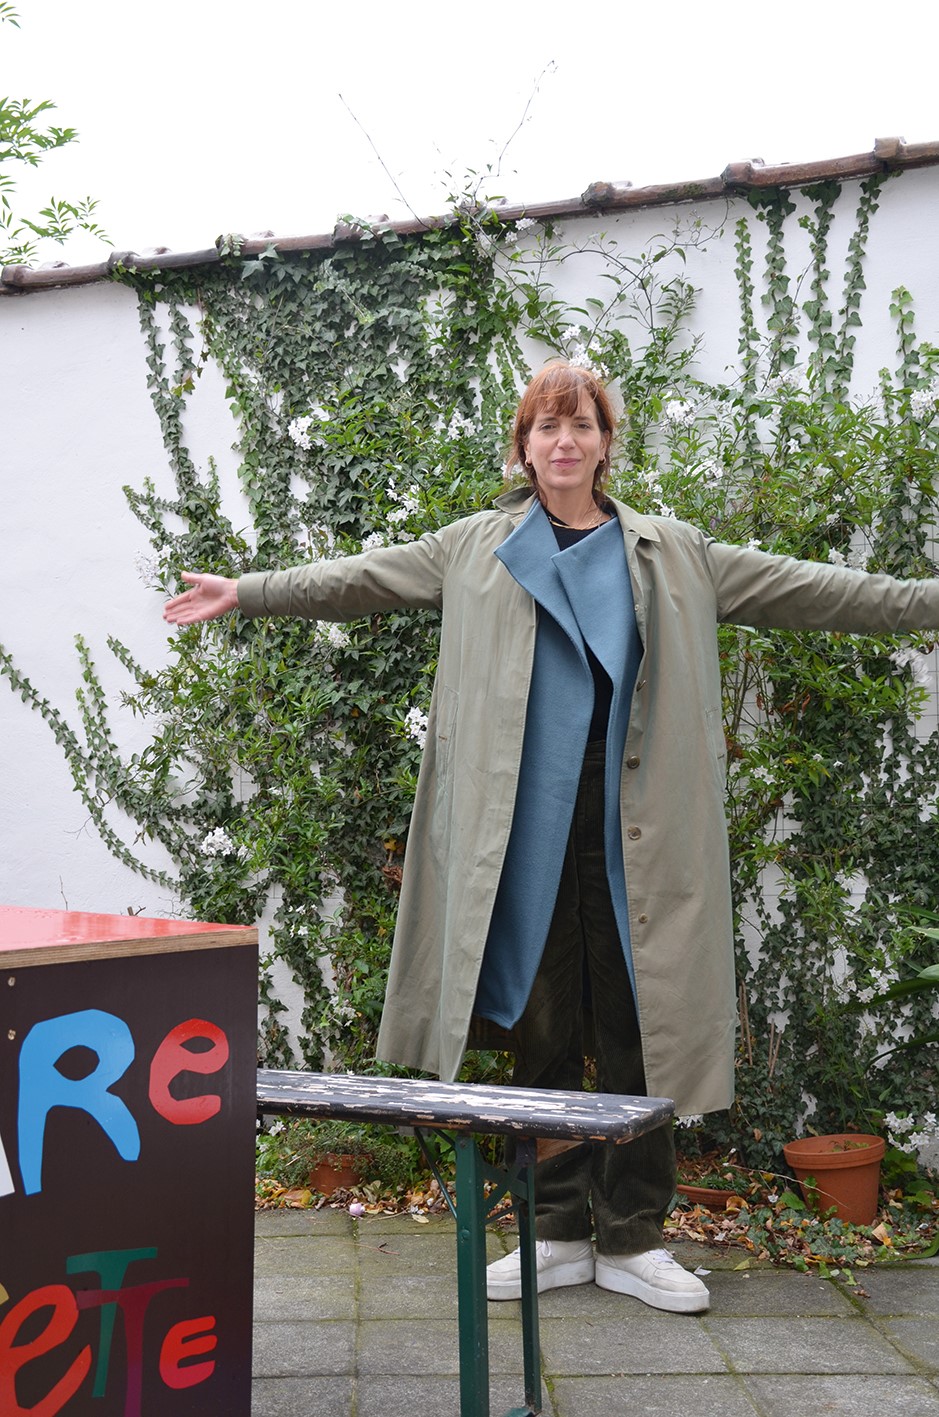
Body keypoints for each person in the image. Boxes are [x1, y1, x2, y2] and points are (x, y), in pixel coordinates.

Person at [164, 361, 939, 1314]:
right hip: (520, 832)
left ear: (606, 444)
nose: (563, 441)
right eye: (545, 426)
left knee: (640, 1029)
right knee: (541, 1029)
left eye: (581, 425)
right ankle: (555, 1231)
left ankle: (634, 1236)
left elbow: (817, 590)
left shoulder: (672, 552)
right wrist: (246, 590)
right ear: (523, 447)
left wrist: (926, 602)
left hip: (636, 830)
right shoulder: (473, 547)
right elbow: (359, 578)